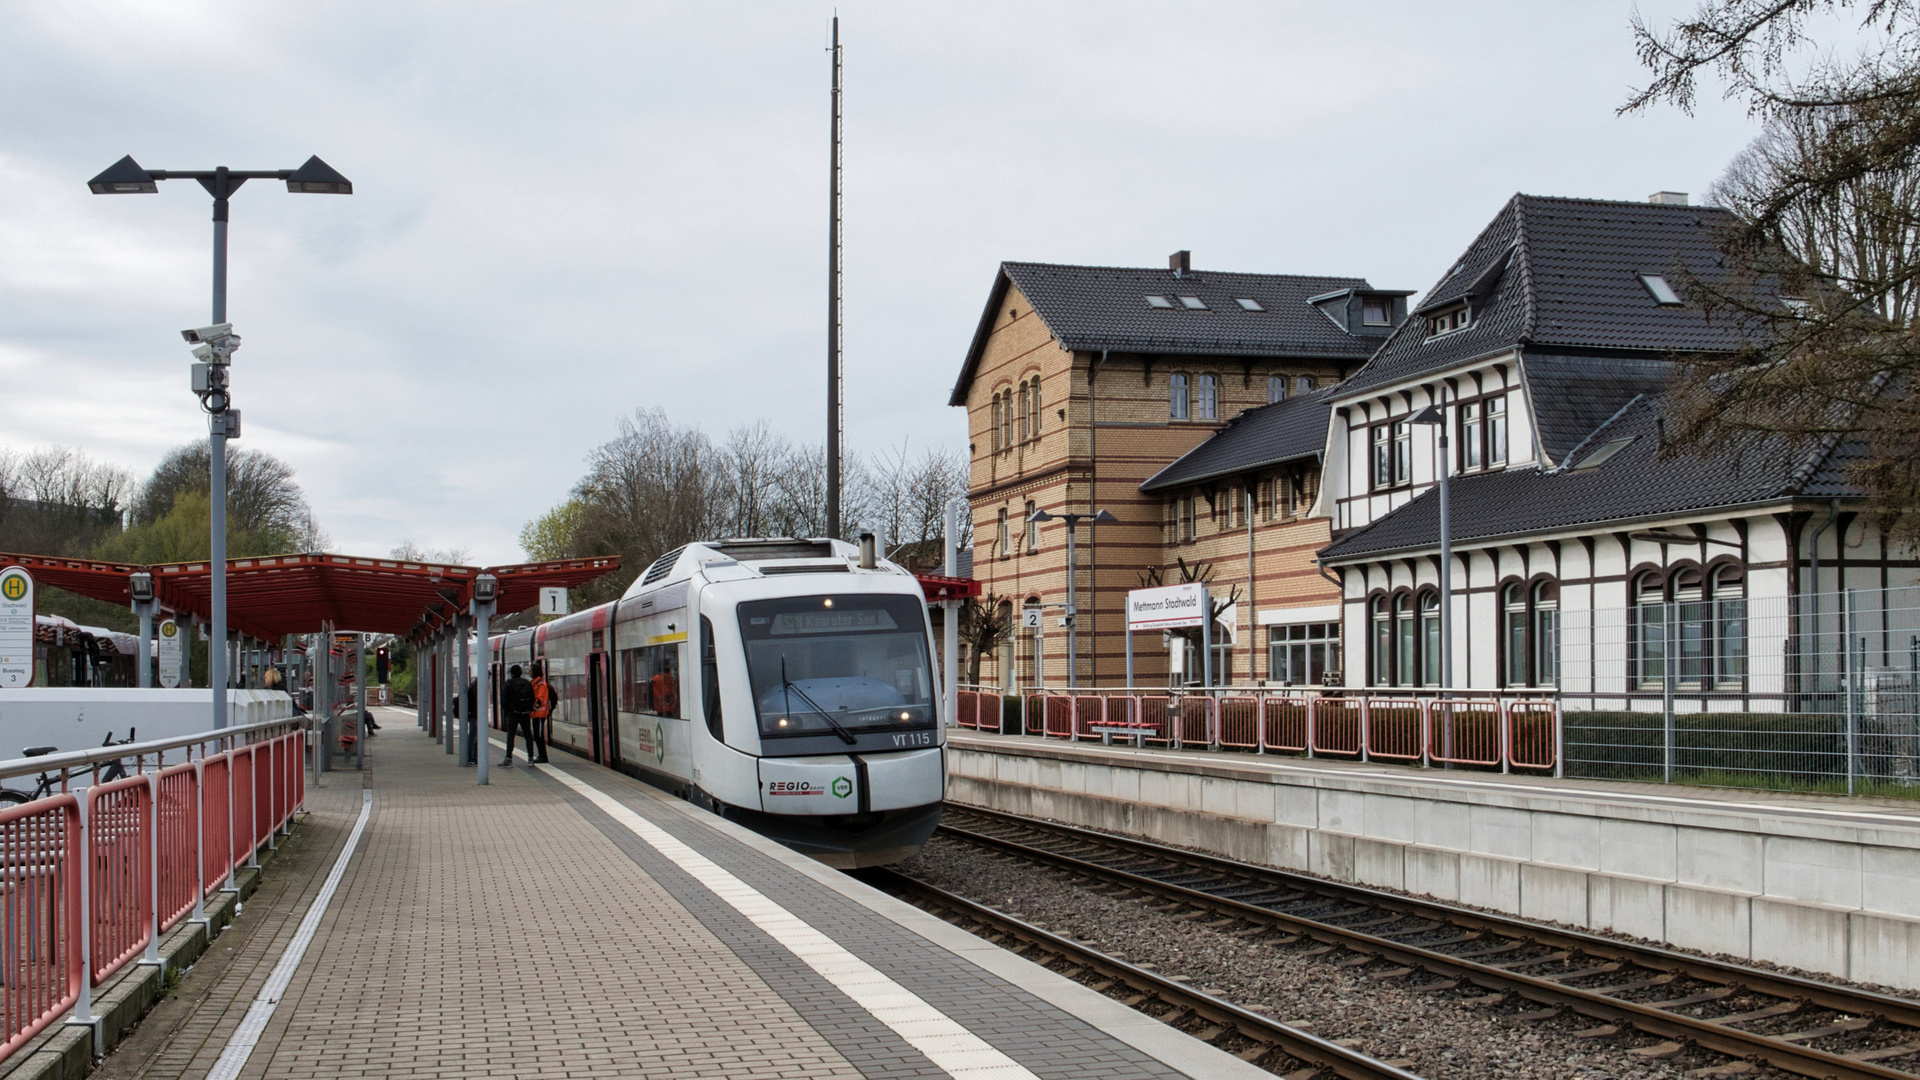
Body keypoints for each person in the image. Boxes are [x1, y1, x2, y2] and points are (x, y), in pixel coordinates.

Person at [501, 664, 536, 767]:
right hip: (525, 714)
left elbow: (504, 700)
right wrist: (528, 710)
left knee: (511, 736)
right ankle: (530, 758)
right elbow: (532, 698)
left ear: (511, 673)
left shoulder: (509, 684)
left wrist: (507, 713)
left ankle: (508, 759)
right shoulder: (527, 683)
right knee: (528, 736)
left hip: (513, 714)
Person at [529, 661, 552, 763]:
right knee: (537, 735)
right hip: (536, 714)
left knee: (538, 735)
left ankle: (543, 756)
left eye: (530, 670)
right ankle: (541, 755)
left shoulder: (541, 684)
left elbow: (540, 698)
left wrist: (533, 707)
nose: (529, 672)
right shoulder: (535, 683)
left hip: (540, 714)